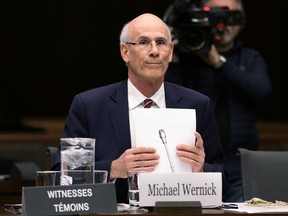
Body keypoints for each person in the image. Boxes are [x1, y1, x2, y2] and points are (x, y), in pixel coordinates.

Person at [53, 13, 224, 203]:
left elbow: (221, 173)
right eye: (143, 42)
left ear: (170, 51)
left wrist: (201, 170)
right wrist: (113, 169)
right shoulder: (89, 106)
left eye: (160, 43)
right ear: (125, 52)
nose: (154, 51)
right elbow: (63, 176)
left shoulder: (198, 104)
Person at [164, 0, 272, 202]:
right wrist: (174, 58)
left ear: (240, 23)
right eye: (215, 15)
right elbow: (169, 101)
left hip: (240, 165)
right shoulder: (188, 58)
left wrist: (217, 62)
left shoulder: (250, 58)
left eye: (230, 16)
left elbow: (261, 92)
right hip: (196, 165)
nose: (223, 23)